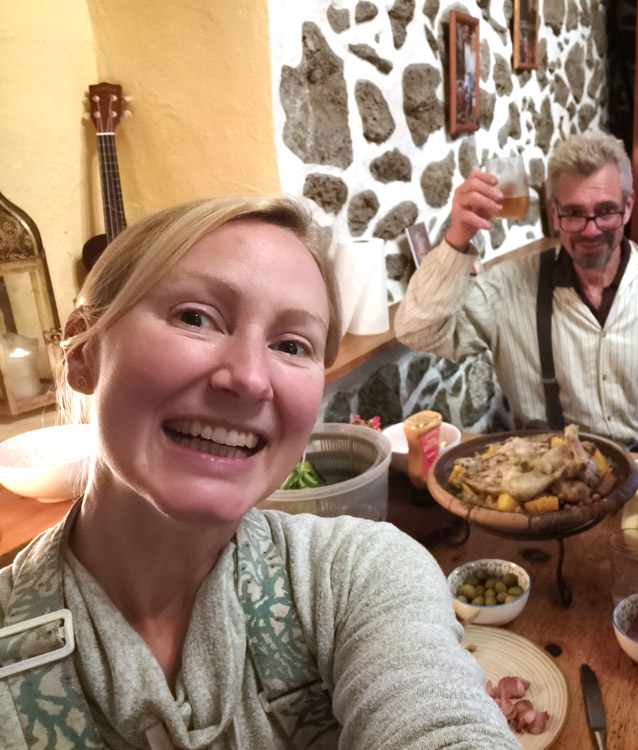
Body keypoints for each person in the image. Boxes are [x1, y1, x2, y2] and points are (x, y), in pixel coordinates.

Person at [0, 196, 521, 749]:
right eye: (195, 318)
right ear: (83, 351)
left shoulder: (358, 575)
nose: (249, 379)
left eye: (291, 345)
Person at [396, 131, 638, 452]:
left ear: (627, 207)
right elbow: (417, 331)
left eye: (606, 211)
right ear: (554, 214)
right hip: (542, 469)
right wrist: (457, 238)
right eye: (574, 213)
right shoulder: (507, 286)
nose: (591, 230)